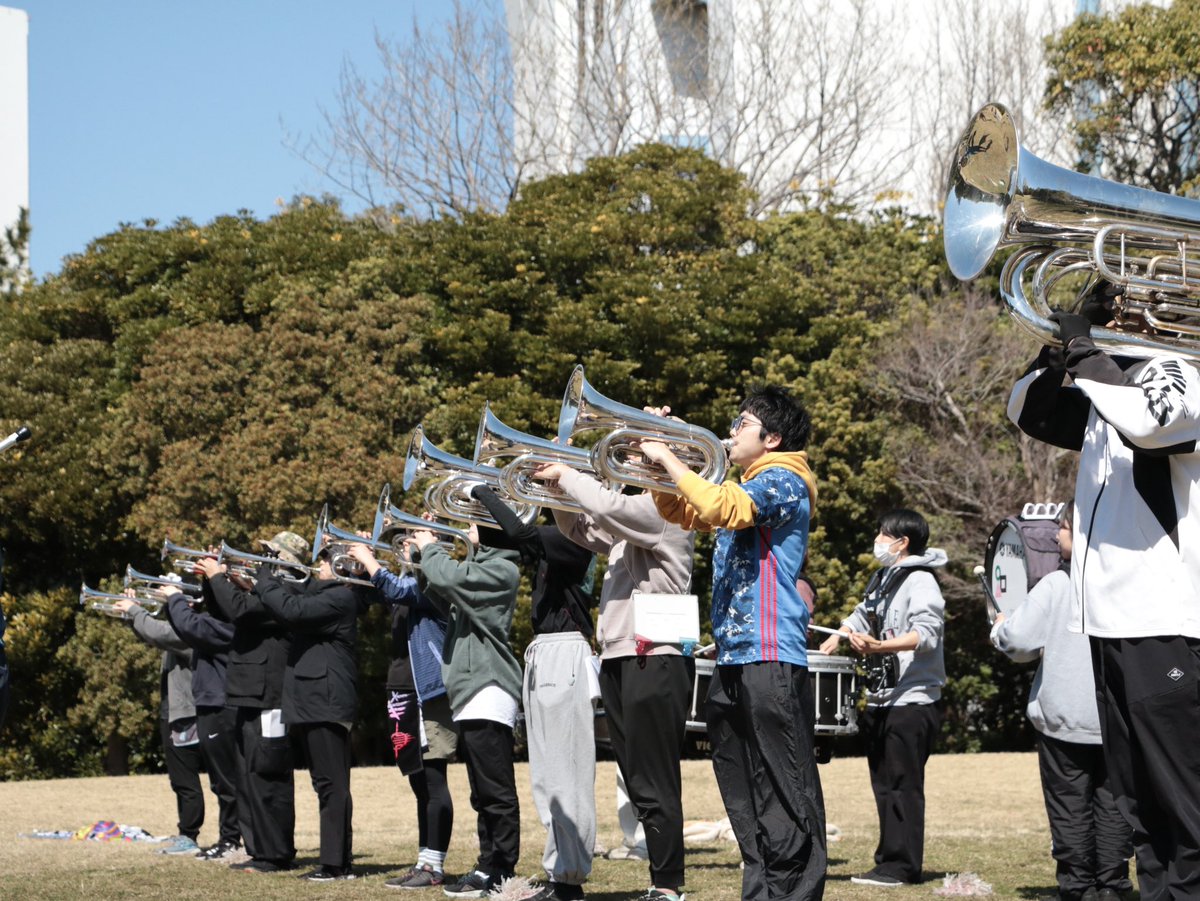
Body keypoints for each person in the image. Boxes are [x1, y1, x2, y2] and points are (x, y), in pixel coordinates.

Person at [1007, 296, 1200, 901]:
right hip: (1113, 624)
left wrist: (1087, 350)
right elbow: (1027, 410)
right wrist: (1056, 350)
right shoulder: (1108, 389)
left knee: (1182, 803)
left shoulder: (1176, 370)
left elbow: (1151, 421)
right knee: (1140, 801)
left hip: (1163, 621)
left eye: (1119, 306)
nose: (1109, 319)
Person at [643, 386, 825, 901]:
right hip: (734, 654)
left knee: (785, 786)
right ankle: (761, 889)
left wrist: (669, 457)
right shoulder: (746, 483)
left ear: (773, 438)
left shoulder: (784, 479)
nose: (730, 430)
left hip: (770, 651)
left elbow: (723, 507)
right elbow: (682, 511)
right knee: (742, 785)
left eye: (742, 423)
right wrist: (655, 459)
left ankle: (795, 893)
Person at [535, 458, 695, 901]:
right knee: (637, 776)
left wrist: (567, 475)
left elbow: (606, 507)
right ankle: (661, 881)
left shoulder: (668, 507)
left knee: (654, 777)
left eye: (641, 458)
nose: (630, 464)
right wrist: (555, 492)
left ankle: (668, 885)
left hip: (655, 656)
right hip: (621, 655)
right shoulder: (633, 523)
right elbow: (578, 529)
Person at [990, 507, 1133, 901]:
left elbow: (1018, 642)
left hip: (1063, 718)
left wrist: (1000, 628)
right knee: (1114, 806)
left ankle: (1078, 887)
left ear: (1082, 532)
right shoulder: (1127, 582)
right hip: (1118, 718)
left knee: (1070, 806)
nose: (1057, 536)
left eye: (1064, 528)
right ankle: (1113, 886)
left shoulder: (1057, 584)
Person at [470, 484, 598, 901]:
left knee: (566, 773)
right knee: (546, 776)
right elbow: (507, 538)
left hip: (564, 651)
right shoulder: (557, 541)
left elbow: (520, 533)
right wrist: (474, 515)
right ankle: (560, 872)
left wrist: (482, 491)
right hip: (546, 651)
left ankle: (570, 879)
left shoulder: (575, 538)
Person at [819, 509, 946, 888]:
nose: (877, 540)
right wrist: (840, 634)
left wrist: (879, 647)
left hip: (913, 700)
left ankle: (903, 867)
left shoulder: (921, 580)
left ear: (901, 542)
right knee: (885, 785)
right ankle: (888, 861)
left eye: (882, 534)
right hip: (883, 699)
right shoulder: (885, 577)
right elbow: (864, 612)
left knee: (903, 786)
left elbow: (927, 634)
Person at [409, 520, 524, 899]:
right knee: (481, 792)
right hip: (471, 689)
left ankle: (502, 870)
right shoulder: (478, 567)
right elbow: (443, 594)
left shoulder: (502, 569)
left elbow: (450, 578)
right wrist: (419, 561)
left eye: (476, 520)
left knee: (495, 790)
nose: (467, 525)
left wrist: (431, 548)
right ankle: (487, 864)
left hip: (488, 686)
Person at [345, 539, 457, 891]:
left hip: (427, 690)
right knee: (417, 780)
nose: (405, 542)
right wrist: (361, 567)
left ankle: (435, 865)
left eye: (413, 538)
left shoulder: (434, 583)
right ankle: (424, 859)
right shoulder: (408, 581)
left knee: (433, 778)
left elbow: (396, 588)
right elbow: (374, 594)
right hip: (402, 689)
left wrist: (370, 559)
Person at [255, 544, 369, 882]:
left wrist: (264, 578)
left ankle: (335, 865)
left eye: (325, 561)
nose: (319, 566)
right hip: (314, 701)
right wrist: (266, 581)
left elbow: (292, 610)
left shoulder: (340, 598)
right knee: (325, 784)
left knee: (332, 785)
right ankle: (336, 861)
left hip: (326, 701)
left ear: (340, 568)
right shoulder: (324, 594)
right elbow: (293, 601)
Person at [199, 530, 302, 875]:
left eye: (271, 555)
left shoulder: (287, 591)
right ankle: (258, 849)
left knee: (268, 773)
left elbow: (240, 610)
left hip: (270, 694)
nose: (263, 560)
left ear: (287, 560)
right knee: (246, 776)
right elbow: (222, 610)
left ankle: (276, 853)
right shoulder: (266, 589)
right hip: (247, 691)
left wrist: (220, 577)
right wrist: (209, 580)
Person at [112, 595, 206, 856]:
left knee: (186, 781)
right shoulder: (181, 628)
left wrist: (135, 611)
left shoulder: (192, 630)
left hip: (187, 714)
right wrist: (132, 616)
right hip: (174, 712)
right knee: (179, 780)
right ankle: (187, 834)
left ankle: (189, 835)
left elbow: (158, 633)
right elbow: (152, 635)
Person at [163, 583, 244, 863]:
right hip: (213, 703)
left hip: (220, 705)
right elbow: (184, 625)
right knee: (221, 781)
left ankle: (231, 839)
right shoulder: (216, 621)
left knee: (226, 780)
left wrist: (174, 597)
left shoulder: (223, 624)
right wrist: (172, 603)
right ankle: (231, 838)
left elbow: (188, 626)